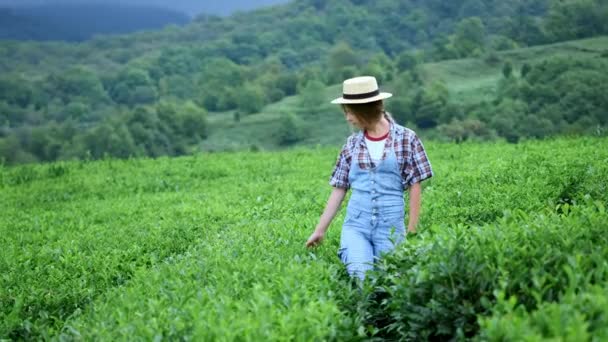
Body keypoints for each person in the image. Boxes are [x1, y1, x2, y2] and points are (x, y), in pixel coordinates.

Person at [305, 76, 433, 281]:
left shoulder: (406, 138)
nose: (347, 118)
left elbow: (415, 185)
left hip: (391, 227)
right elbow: (339, 189)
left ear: (364, 109)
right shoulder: (351, 144)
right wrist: (320, 230)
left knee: (390, 280)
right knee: (362, 276)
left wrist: (412, 229)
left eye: (349, 112)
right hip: (357, 225)